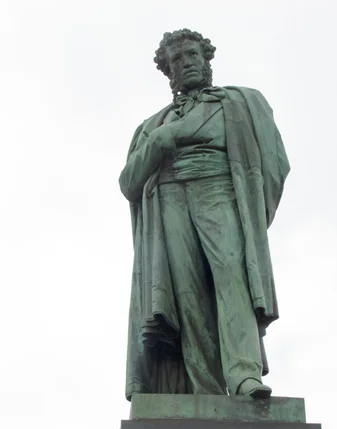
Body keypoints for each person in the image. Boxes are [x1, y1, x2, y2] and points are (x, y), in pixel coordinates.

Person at [119, 29, 290, 400]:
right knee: (187, 294)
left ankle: (244, 375)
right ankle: (206, 390)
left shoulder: (240, 103)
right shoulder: (151, 126)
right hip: (169, 198)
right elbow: (129, 182)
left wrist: (253, 215)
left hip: (219, 189)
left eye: (193, 55)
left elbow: (275, 164)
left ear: (206, 59)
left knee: (232, 276)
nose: (187, 62)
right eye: (177, 59)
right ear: (169, 71)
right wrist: (159, 143)